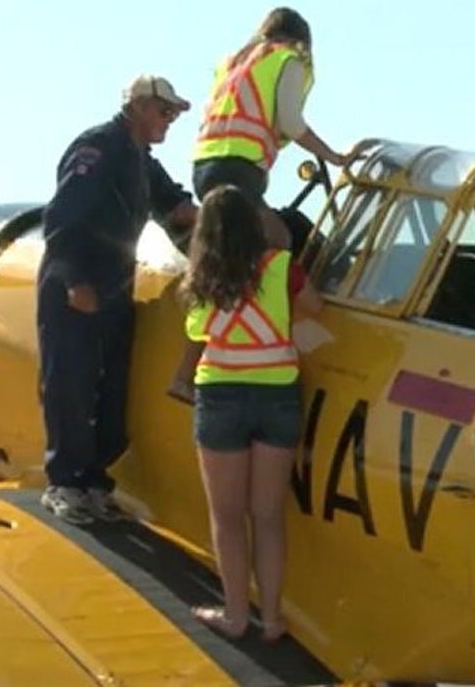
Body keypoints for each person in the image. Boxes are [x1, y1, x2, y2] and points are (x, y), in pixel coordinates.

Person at [168, 6, 354, 403]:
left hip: (208, 166)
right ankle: (269, 341)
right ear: (301, 40)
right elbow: (290, 122)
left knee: (229, 253)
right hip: (237, 169)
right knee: (279, 243)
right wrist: (334, 157)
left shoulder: (238, 62)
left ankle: (189, 370)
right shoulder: (289, 59)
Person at [38, 75, 197, 525]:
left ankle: (94, 481)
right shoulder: (98, 147)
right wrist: (74, 282)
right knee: (70, 383)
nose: (170, 122)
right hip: (77, 284)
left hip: (116, 286)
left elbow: (177, 209)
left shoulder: (144, 162)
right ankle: (64, 482)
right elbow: (63, 218)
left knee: (110, 389)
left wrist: (223, 222)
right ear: (141, 107)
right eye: (166, 113)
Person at [180, 185, 324, 641]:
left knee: (227, 517)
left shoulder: (203, 275)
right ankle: (273, 620)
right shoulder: (283, 267)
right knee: (267, 515)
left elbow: (196, 328)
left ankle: (236, 615)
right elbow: (314, 307)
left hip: (221, 395)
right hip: (277, 396)